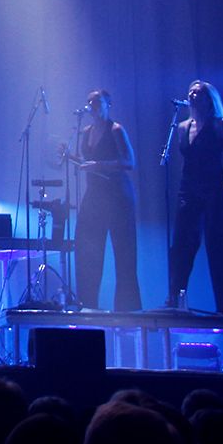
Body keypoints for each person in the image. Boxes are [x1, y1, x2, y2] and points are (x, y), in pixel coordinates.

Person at [166, 80, 223, 314]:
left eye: (198, 92)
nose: (192, 95)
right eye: (191, 92)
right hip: (189, 191)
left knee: (219, 247)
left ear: (209, 99)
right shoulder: (182, 127)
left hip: (215, 190)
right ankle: (175, 299)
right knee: (181, 246)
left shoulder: (220, 125)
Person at [71, 90, 141, 311]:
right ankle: (87, 305)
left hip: (118, 197)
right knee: (87, 249)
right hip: (94, 196)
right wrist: (69, 157)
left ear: (108, 104)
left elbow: (129, 162)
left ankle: (127, 309)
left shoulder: (116, 130)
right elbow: (85, 161)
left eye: (97, 102)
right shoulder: (86, 131)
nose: (93, 106)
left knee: (124, 254)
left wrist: (99, 165)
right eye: (90, 102)